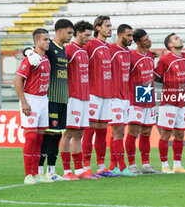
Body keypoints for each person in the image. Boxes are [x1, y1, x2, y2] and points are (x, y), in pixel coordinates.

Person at [24, 19, 74, 180]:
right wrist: (28, 52)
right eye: (69, 33)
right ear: (59, 31)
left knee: (57, 135)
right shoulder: (49, 46)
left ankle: (51, 171)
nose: (71, 36)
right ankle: (38, 170)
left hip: (62, 99)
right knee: (47, 135)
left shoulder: (63, 50)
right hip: (50, 97)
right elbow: (30, 50)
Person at [59, 20, 99, 180]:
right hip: (72, 97)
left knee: (79, 133)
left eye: (90, 35)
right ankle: (67, 171)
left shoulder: (83, 51)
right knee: (68, 132)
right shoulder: (68, 50)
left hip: (84, 97)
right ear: (77, 33)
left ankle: (80, 170)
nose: (88, 38)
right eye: (86, 35)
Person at [81, 16, 119, 178]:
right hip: (93, 94)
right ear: (98, 28)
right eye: (107, 26)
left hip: (106, 94)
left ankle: (101, 167)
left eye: (111, 26)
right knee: (90, 129)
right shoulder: (90, 45)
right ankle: (86, 166)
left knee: (103, 130)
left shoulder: (109, 47)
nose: (111, 29)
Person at [14, 28, 52, 184]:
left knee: (39, 138)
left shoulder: (46, 58)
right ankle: (28, 175)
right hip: (31, 99)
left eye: (48, 39)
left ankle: (36, 173)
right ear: (36, 41)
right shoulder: (30, 59)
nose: (48, 42)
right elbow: (17, 80)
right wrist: (24, 101)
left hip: (43, 99)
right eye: (44, 39)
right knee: (30, 137)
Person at [154, 33, 185, 174]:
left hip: (182, 102)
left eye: (179, 37)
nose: (180, 39)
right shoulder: (165, 60)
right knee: (166, 134)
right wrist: (168, 84)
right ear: (170, 45)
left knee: (180, 134)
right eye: (176, 38)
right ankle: (164, 166)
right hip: (168, 102)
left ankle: (177, 165)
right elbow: (156, 76)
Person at [125, 29, 160, 174]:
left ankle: (146, 165)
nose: (149, 41)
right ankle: (132, 164)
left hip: (147, 94)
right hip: (135, 95)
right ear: (138, 42)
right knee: (133, 131)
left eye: (149, 38)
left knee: (146, 131)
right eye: (146, 40)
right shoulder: (131, 56)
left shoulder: (150, 56)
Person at [108, 24, 136, 176]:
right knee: (118, 133)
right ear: (119, 35)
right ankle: (123, 167)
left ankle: (113, 166)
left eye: (132, 35)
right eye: (128, 35)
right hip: (114, 97)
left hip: (125, 98)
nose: (131, 38)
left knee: (118, 134)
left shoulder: (127, 52)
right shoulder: (111, 49)